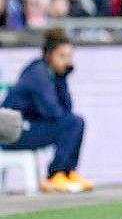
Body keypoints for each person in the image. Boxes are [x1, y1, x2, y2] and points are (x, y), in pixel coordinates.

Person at [0, 27, 93, 193]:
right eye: (62, 56)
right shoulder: (37, 74)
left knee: (76, 122)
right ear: (48, 55)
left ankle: (68, 172)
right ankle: (55, 174)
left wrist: (63, 78)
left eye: (69, 57)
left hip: (28, 126)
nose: (67, 61)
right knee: (73, 123)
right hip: (12, 133)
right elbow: (53, 112)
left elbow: (67, 109)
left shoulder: (53, 74)